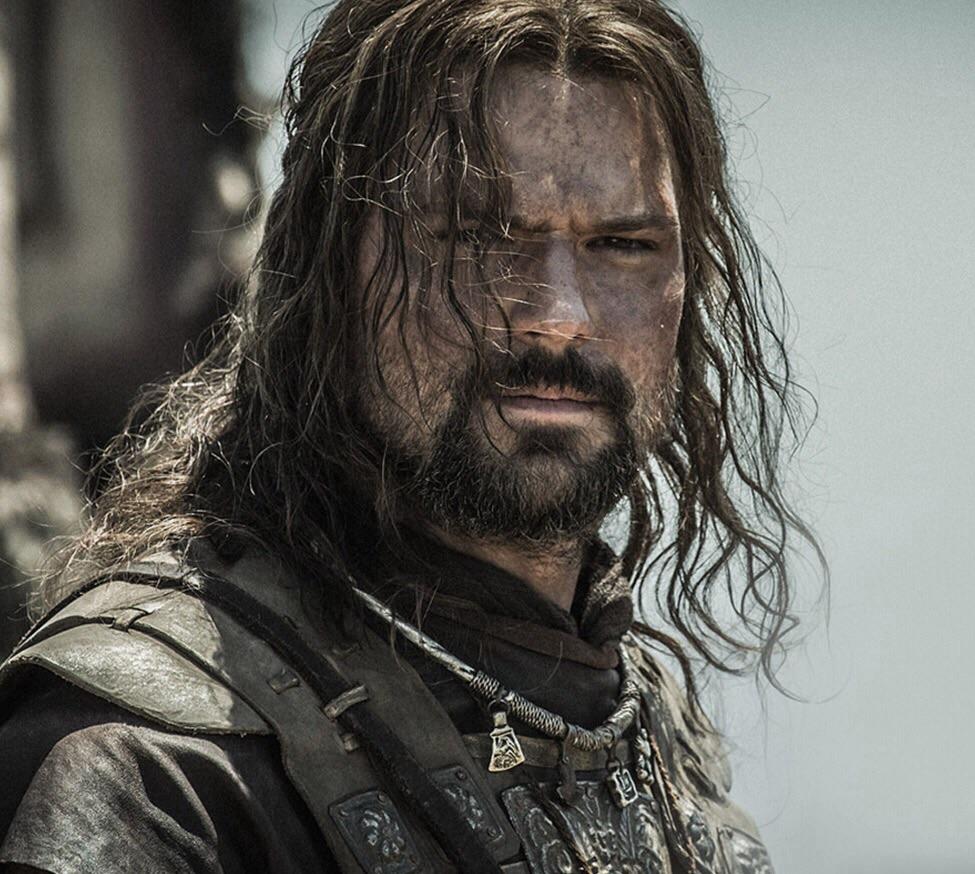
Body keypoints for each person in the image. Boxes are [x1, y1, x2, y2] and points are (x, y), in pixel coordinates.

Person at [0, 1, 820, 871]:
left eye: (622, 244)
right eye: (476, 235)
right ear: (328, 270)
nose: (558, 315)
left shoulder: (650, 735)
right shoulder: (149, 772)